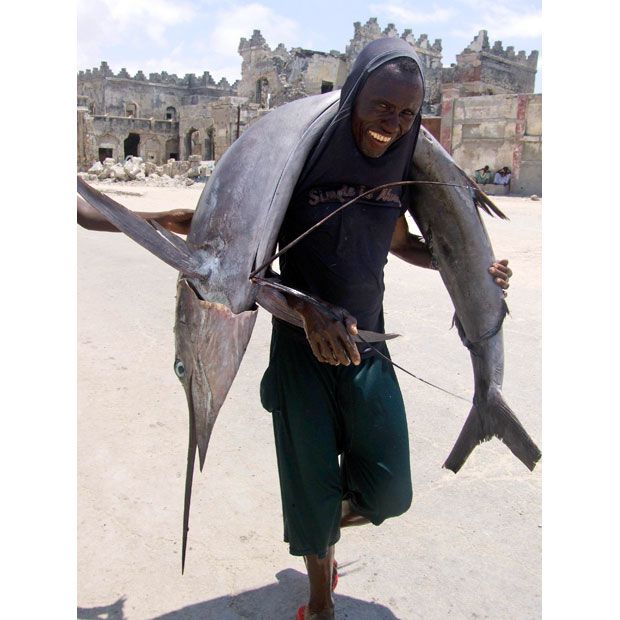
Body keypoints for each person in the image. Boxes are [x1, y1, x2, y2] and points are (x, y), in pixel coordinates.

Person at [78, 38, 512, 620]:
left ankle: (320, 524)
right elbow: (223, 243)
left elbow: (404, 244)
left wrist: (475, 269)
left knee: (391, 491)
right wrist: (306, 312)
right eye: (382, 107)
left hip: (366, 347)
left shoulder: (401, 160)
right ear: (353, 95)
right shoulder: (302, 152)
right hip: (299, 350)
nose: (394, 123)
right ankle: (319, 600)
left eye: (407, 113)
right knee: (307, 484)